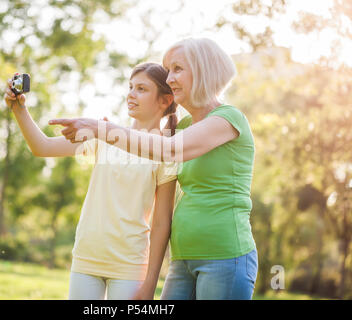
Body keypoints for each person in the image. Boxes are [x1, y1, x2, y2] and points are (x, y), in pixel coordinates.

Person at [50, 37, 258, 300]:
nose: (170, 78)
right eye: (168, 70)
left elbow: (171, 150)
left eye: (178, 69)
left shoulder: (229, 118)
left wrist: (99, 129)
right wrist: (103, 134)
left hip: (225, 257)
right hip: (182, 258)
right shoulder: (180, 129)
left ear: (204, 70)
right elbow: (144, 144)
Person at [4, 63, 178, 300]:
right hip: (86, 256)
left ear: (165, 100)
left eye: (141, 89)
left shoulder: (165, 151)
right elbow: (42, 147)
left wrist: (150, 283)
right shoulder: (104, 134)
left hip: (130, 264)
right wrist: (18, 108)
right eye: (130, 87)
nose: (130, 94)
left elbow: (161, 224)